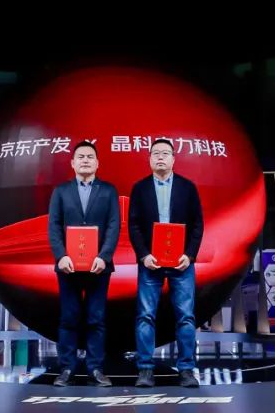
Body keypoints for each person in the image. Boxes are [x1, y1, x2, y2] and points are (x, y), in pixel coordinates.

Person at [128, 138, 204, 388]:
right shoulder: (140, 188)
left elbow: (197, 224)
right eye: (156, 153)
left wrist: (189, 255)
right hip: (150, 262)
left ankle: (186, 370)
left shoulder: (187, 187)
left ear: (173, 158)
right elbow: (134, 225)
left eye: (165, 153)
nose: (160, 157)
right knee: (145, 316)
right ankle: (145, 369)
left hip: (181, 263)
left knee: (186, 317)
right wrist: (143, 255)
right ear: (149, 159)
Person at [47, 141, 120, 387]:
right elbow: (53, 226)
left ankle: (95, 369)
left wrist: (104, 256)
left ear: (97, 163)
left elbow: (114, 225)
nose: (85, 160)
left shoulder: (108, 191)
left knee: (96, 319)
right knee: (68, 318)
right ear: (72, 163)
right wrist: (61, 256)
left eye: (90, 156)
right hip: (68, 266)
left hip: (98, 266)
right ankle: (67, 368)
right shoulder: (61, 191)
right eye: (81, 156)